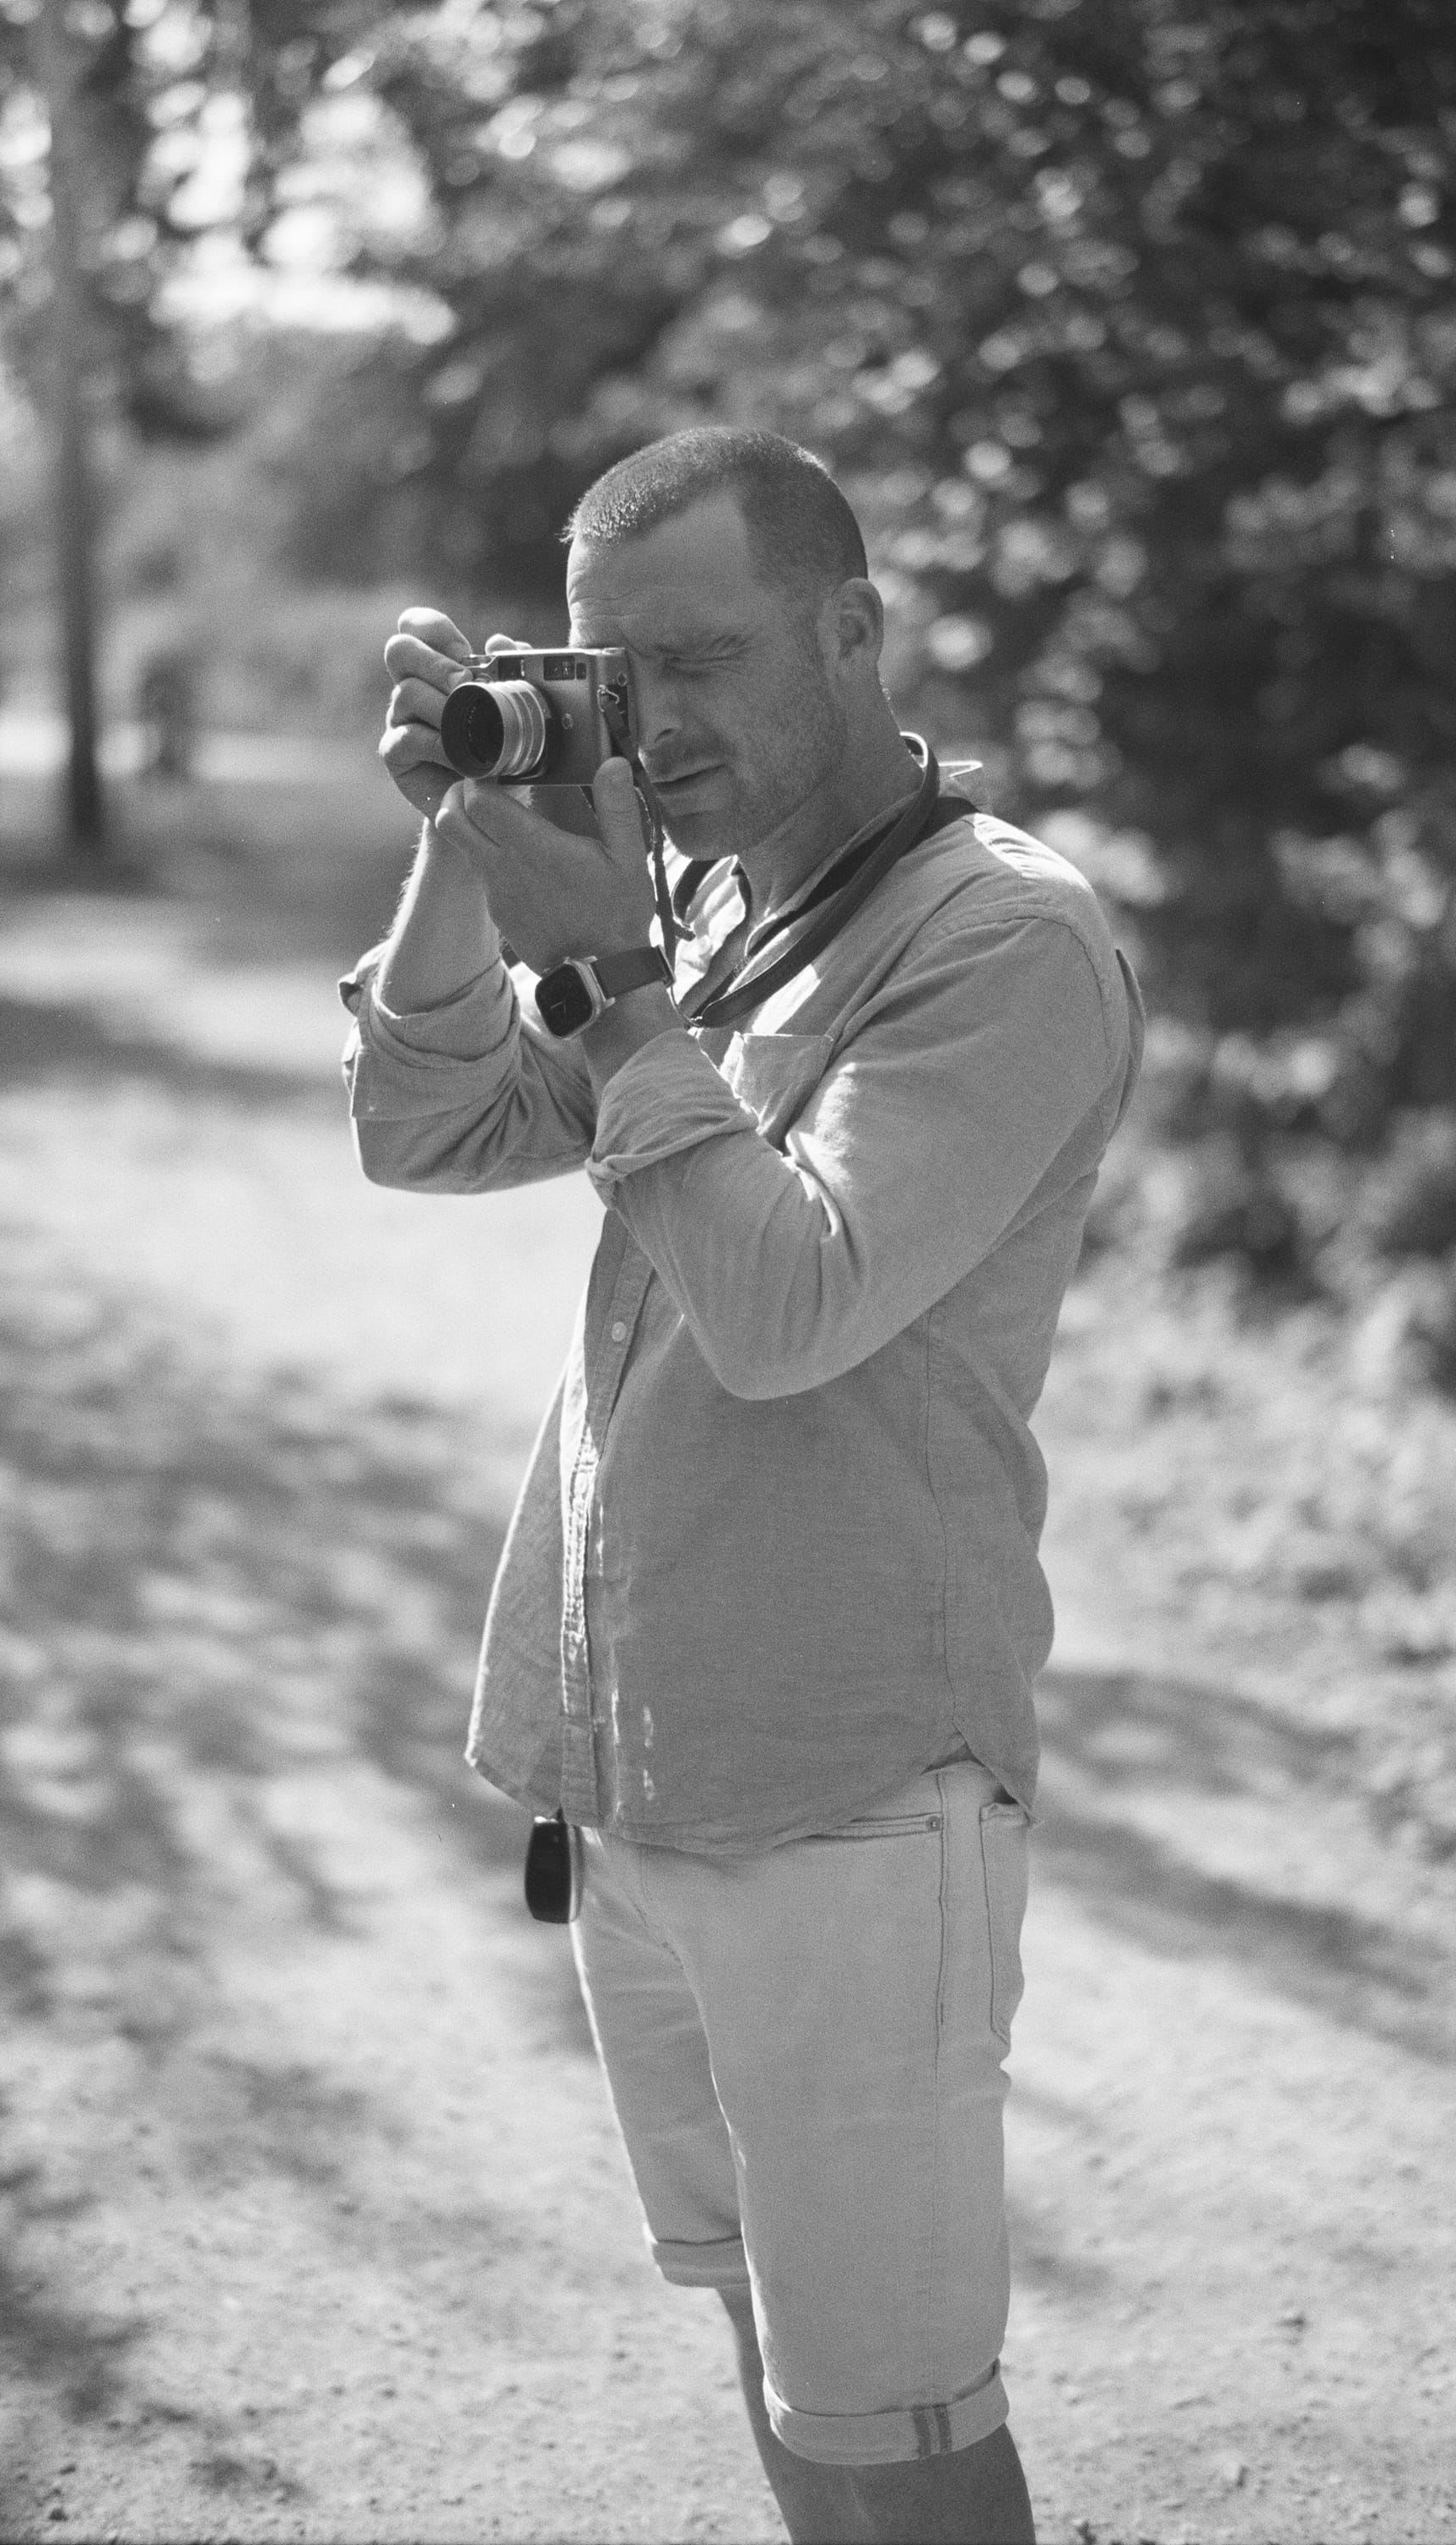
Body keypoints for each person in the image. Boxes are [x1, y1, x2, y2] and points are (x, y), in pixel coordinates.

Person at [342, 426, 1144, 2545]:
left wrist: (613, 991)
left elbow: (793, 1307)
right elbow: (422, 1129)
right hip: (639, 1760)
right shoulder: (703, 898)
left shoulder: (1003, 938)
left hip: (853, 1791)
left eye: (700, 663)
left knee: (903, 2429)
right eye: (616, 676)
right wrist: (467, 841)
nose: (656, 723)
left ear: (852, 629)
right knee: (771, 2353)